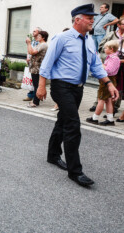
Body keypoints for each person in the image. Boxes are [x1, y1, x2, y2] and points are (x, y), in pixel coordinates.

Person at [37, 4, 119, 187]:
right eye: (89, 18)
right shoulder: (62, 38)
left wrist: (109, 83)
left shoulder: (90, 41)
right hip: (61, 87)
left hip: (78, 88)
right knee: (73, 124)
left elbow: (97, 66)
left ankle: (52, 155)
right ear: (77, 19)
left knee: (63, 120)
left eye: (93, 18)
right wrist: (41, 86)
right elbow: (47, 64)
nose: (93, 21)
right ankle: (75, 171)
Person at [89, 17, 124, 112]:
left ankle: (115, 106)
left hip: (121, 66)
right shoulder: (111, 35)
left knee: (119, 86)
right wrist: (106, 57)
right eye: (123, 24)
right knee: (104, 84)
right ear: (118, 25)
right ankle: (97, 103)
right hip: (108, 63)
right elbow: (101, 46)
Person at [86, 40, 120, 126]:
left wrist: (101, 64)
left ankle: (95, 118)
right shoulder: (111, 57)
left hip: (108, 80)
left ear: (111, 49)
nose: (104, 49)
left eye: (105, 48)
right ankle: (110, 119)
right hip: (109, 79)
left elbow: (108, 70)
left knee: (100, 99)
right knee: (108, 100)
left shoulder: (114, 58)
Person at [26, 30, 49, 107]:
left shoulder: (43, 45)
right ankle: (37, 98)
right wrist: (28, 44)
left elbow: (32, 52)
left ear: (43, 37)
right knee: (36, 85)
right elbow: (30, 51)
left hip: (38, 68)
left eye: (39, 36)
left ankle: (35, 102)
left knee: (37, 85)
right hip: (34, 68)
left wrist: (29, 43)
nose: (37, 37)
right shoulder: (39, 44)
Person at [24, 27, 42, 101]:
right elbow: (29, 50)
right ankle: (31, 95)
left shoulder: (39, 42)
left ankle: (36, 97)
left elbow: (34, 52)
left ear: (39, 33)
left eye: (35, 31)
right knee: (31, 80)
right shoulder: (33, 41)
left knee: (35, 81)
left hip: (36, 64)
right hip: (31, 63)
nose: (33, 32)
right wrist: (27, 58)